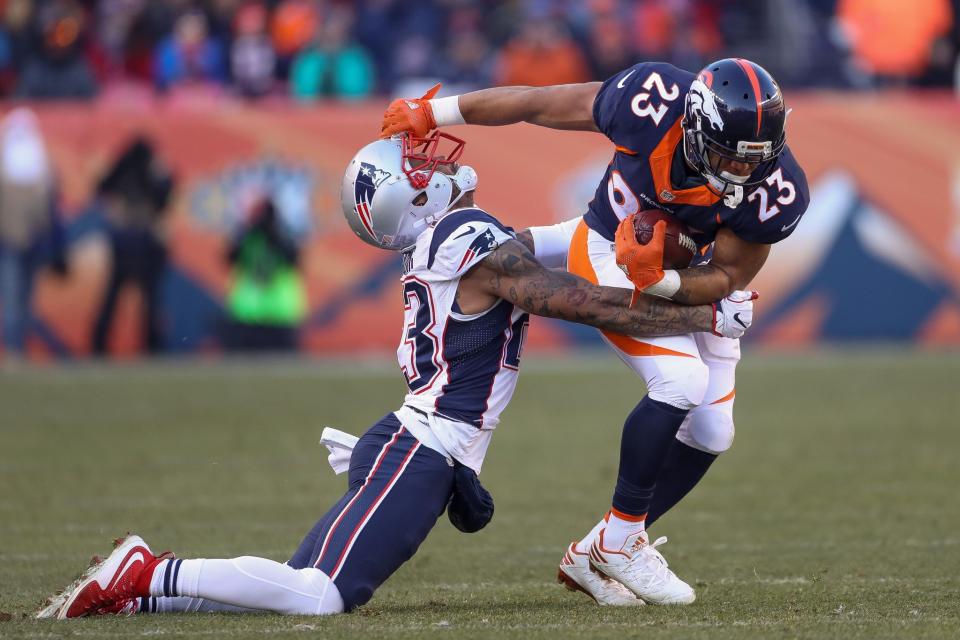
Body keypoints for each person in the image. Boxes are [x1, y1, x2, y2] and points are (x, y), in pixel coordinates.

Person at [37, 132, 756, 619]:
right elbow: (574, 300)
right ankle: (145, 572)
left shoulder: (450, 240)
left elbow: (569, 260)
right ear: (410, 200)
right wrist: (701, 314)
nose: (438, 167)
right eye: (422, 173)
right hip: (424, 447)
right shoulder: (466, 237)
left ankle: (140, 593)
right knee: (319, 595)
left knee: (296, 585)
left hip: (420, 444)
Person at [381, 56, 809, 605]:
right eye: (729, 154)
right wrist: (435, 110)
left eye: (756, 159)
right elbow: (538, 102)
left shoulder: (778, 188)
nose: (742, 172)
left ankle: (597, 548)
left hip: (685, 274)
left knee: (712, 432)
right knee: (680, 382)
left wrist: (667, 280)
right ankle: (624, 540)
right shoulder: (650, 103)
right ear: (696, 123)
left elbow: (726, 274)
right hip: (604, 244)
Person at [90, 136, 174, 356]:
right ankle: (152, 347)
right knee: (148, 300)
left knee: (115, 298)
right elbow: (164, 198)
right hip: (144, 242)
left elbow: (101, 188)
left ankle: (99, 346)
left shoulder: (122, 171)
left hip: (124, 242)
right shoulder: (149, 173)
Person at [0, 108, 66, 362]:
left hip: (29, 239)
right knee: (14, 297)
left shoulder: (41, 162)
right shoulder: (31, 163)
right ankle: (14, 349)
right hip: (11, 240)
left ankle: (18, 349)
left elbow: (50, 206)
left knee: (23, 298)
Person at [221, 197, 306, 352]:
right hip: (248, 313)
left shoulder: (285, 236)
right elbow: (229, 258)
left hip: (280, 313)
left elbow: (294, 260)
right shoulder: (248, 236)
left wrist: (275, 236)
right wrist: (247, 232)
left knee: (282, 368)